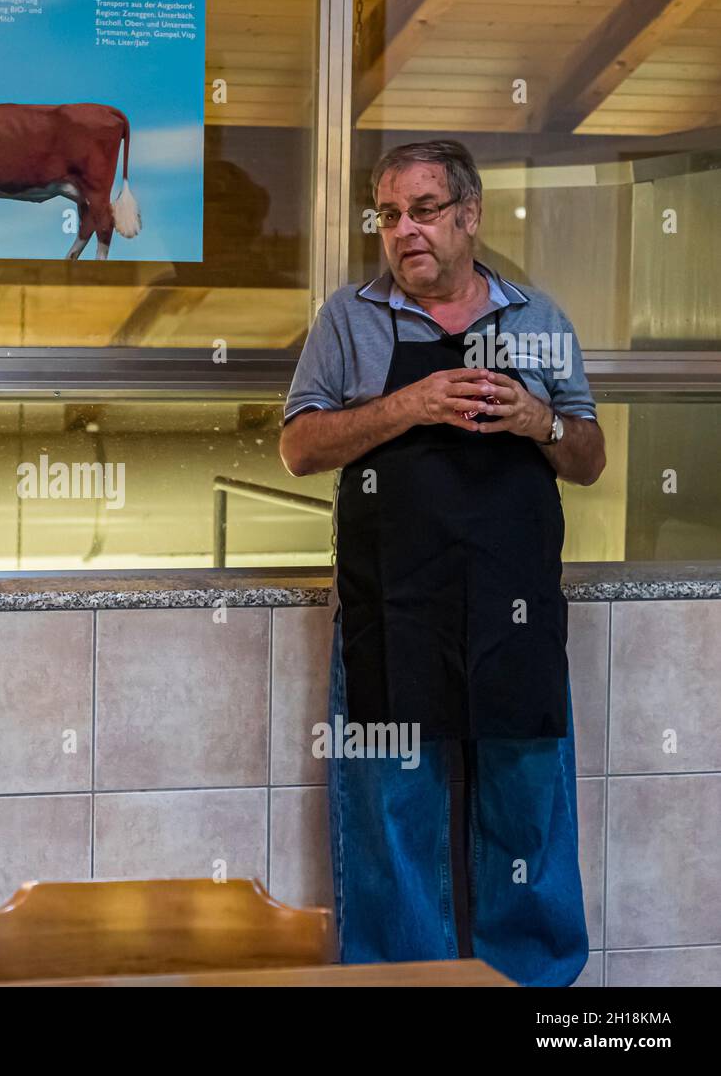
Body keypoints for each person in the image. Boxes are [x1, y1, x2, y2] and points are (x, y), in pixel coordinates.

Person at [280, 140, 606, 986]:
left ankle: (537, 988)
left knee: (527, 815)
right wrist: (408, 405)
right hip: (395, 614)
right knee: (392, 822)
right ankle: (400, 983)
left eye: (423, 210)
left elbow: (590, 456)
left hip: (516, 616)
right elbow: (299, 448)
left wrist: (542, 423)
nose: (403, 231)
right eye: (388, 215)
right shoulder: (347, 320)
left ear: (470, 215)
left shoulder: (540, 320)